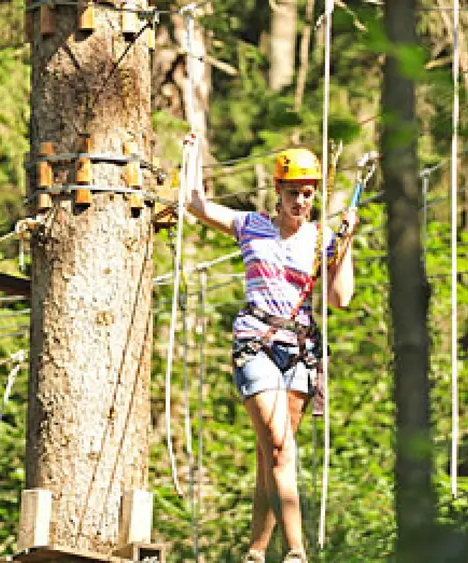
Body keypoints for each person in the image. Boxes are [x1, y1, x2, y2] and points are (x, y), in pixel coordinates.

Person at [186, 145, 357, 563]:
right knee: (281, 447)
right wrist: (191, 155)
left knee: (272, 456)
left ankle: (255, 552)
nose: (300, 202)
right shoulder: (250, 226)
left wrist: (346, 243)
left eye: (308, 194)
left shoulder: (322, 238)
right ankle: (297, 552)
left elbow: (340, 298)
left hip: (299, 351)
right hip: (255, 342)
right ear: (277, 190)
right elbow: (196, 205)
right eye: (293, 192)